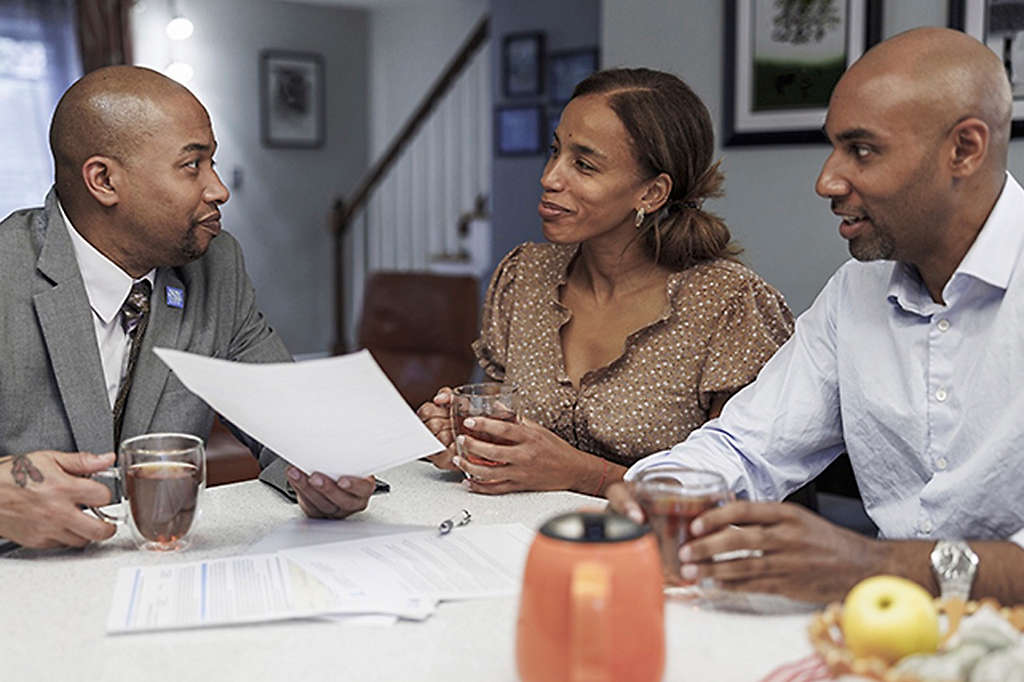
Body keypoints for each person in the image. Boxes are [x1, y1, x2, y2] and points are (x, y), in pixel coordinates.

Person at [608, 27, 1024, 604]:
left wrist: (874, 564)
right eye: (832, 147)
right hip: (887, 635)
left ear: (965, 150)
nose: (826, 180)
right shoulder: (856, 291)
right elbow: (745, 446)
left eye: (862, 150)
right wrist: (660, 491)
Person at [0, 66, 373, 550]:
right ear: (104, 180)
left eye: (212, 163)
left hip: (167, 576)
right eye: (192, 165)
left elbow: (291, 427)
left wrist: (327, 476)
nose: (219, 189)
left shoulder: (217, 267)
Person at [417, 68, 794, 496]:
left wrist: (583, 474)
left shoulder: (730, 305)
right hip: (518, 536)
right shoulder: (523, 276)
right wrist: (467, 438)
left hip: (662, 552)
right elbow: (503, 426)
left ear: (651, 194)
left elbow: (735, 490)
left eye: (584, 165)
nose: (549, 178)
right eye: (554, 151)